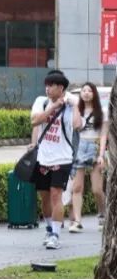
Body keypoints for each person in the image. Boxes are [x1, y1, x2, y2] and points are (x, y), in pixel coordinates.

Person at [30, 70, 82, 249]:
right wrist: (53, 107)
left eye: (52, 85)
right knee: (44, 197)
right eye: (47, 85)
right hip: (43, 158)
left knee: (55, 195)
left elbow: (77, 125)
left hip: (63, 158)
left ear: (61, 88)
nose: (48, 88)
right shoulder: (41, 102)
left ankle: (55, 234)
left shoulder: (70, 105)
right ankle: (48, 228)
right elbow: (35, 121)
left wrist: (75, 105)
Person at [69, 82, 108, 233]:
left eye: (89, 91)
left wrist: (101, 155)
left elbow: (103, 135)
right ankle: (77, 221)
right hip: (80, 146)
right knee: (77, 187)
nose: (86, 93)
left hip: (95, 146)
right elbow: (75, 127)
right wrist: (75, 108)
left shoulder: (102, 112)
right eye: (83, 91)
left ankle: (103, 214)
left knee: (97, 189)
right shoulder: (77, 110)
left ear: (94, 94)